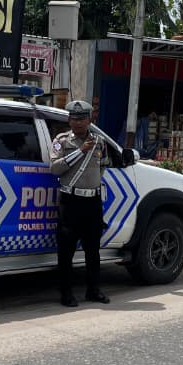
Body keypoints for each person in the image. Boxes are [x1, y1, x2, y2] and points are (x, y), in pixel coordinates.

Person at [50, 100, 109, 307]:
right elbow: (55, 169)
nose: (78, 122)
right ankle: (66, 294)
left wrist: (90, 184)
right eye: (74, 119)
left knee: (93, 250)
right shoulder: (61, 140)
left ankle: (93, 290)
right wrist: (80, 151)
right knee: (66, 251)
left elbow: (103, 167)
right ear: (69, 120)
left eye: (82, 118)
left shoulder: (99, 142)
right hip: (70, 201)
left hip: (92, 202)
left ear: (89, 120)